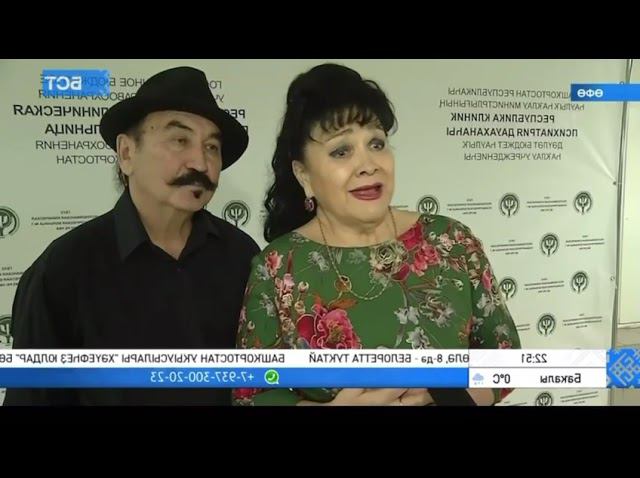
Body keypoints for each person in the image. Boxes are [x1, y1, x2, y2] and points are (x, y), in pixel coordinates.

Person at [233, 63, 521, 406]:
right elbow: (252, 394)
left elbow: (506, 358)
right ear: (304, 175)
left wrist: (446, 398)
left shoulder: (452, 241)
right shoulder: (278, 267)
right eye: (341, 151)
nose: (369, 164)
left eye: (376, 143)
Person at [4, 66, 260, 406]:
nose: (200, 162)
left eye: (212, 147)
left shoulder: (242, 257)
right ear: (126, 153)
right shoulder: (64, 269)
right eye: (180, 140)